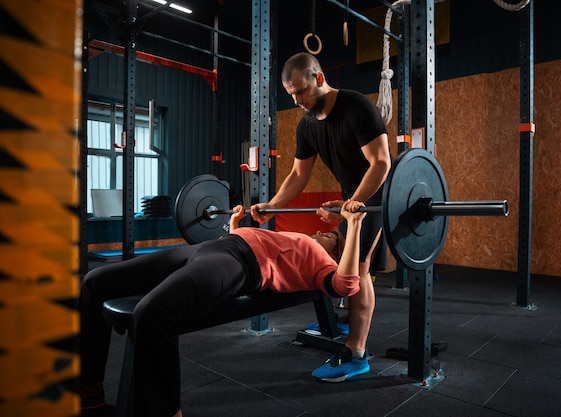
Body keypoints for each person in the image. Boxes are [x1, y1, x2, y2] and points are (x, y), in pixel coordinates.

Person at [78, 200, 366, 417]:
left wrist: (353, 227)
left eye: (328, 236)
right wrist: (236, 224)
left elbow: (347, 285)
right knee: (94, 282)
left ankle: (167, 411)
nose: (319, 232)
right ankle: (90, 390)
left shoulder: (323, 264)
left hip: (240, 264)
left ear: (335, 253)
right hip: (214, 247)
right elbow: (259, 241)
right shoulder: (301, 240)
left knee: (153, 311)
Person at [250, 52, 391, 382]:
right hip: (351, 200)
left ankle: (357, 354)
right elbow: (298, 175)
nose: (298, 100)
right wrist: (272, 206)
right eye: (291, 95)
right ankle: (342, 322)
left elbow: (382, 163)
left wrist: (354, 202)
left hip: (377, 197)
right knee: (330, 252)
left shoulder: (356, 108)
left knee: (357, 270)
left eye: (301, 91)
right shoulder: (308, 125)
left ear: (319, 78)